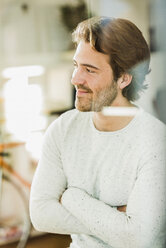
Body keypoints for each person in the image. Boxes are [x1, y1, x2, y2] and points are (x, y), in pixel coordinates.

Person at [30, 17, 166, 248]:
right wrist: (117, 219)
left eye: (89, 70)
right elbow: (41, 213)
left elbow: (140, 238)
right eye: (76, 65)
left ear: (123, 78)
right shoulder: (63, 129)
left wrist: (71, 196)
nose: (75, 79)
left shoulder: (155, 142)